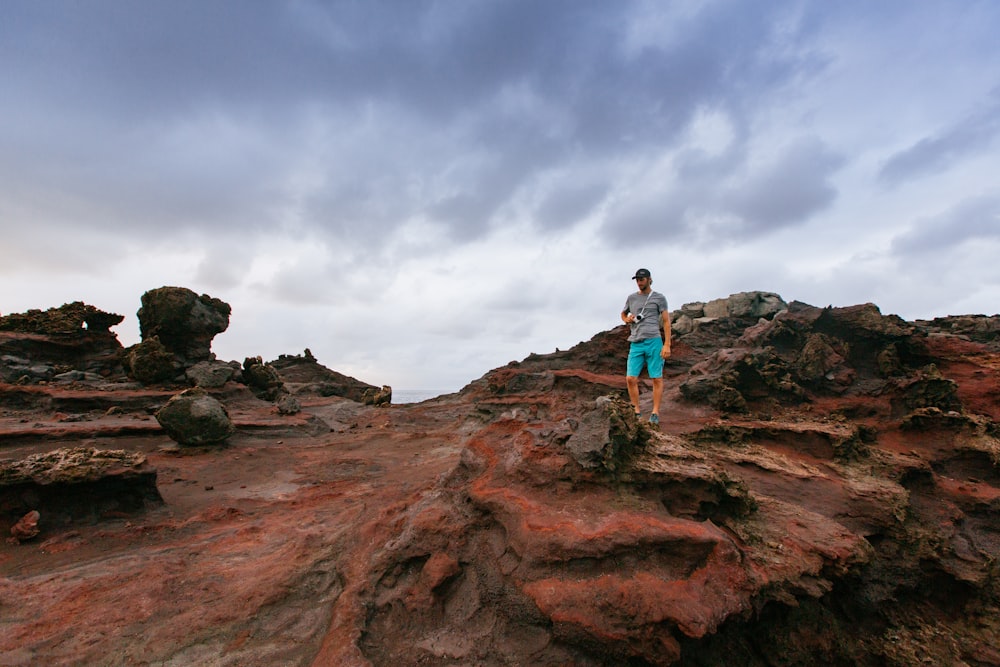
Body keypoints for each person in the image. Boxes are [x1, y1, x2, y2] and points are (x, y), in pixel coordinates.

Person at [621, 268, 671, 425]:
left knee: (656, 378)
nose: (639, 282)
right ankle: (636, 411)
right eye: (637, 279)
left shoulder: (659, 298)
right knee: (630, 378)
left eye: (641, 279)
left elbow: (666, 321)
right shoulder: (631, 298)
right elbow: (623, 314)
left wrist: (667, 344)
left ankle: (655, 413)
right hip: (636, 342)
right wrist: (627, 319)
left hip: (654, 341)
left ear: (649, 279)